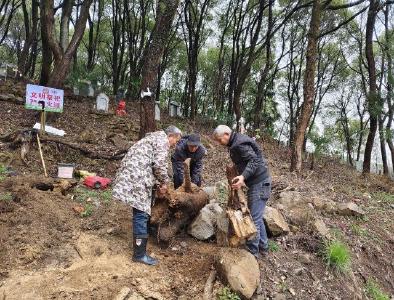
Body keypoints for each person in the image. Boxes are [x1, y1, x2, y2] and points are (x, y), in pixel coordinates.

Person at [112, 125, 182, 266]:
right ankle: (139, 254)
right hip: (137, 178)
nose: (175, 144)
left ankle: (142, 244)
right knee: (141, 213)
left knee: (141, 210)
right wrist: (164, 183)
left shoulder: (152, 138)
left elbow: (150, 163)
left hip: (133, 176)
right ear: (171, 136)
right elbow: (159, 165)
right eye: (176, 141)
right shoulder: (162, 141)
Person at [213, 125, 271, 257]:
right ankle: (263, 247)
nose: (219, 143)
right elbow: (248, 160)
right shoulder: (236, 142)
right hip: (258, 182)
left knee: (254, 219)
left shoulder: (239, 144)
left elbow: (254, 160)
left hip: (260, 184)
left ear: (226, 134)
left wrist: (243, 176)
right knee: (258, 216)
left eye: (219, 139)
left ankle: (252, 252)